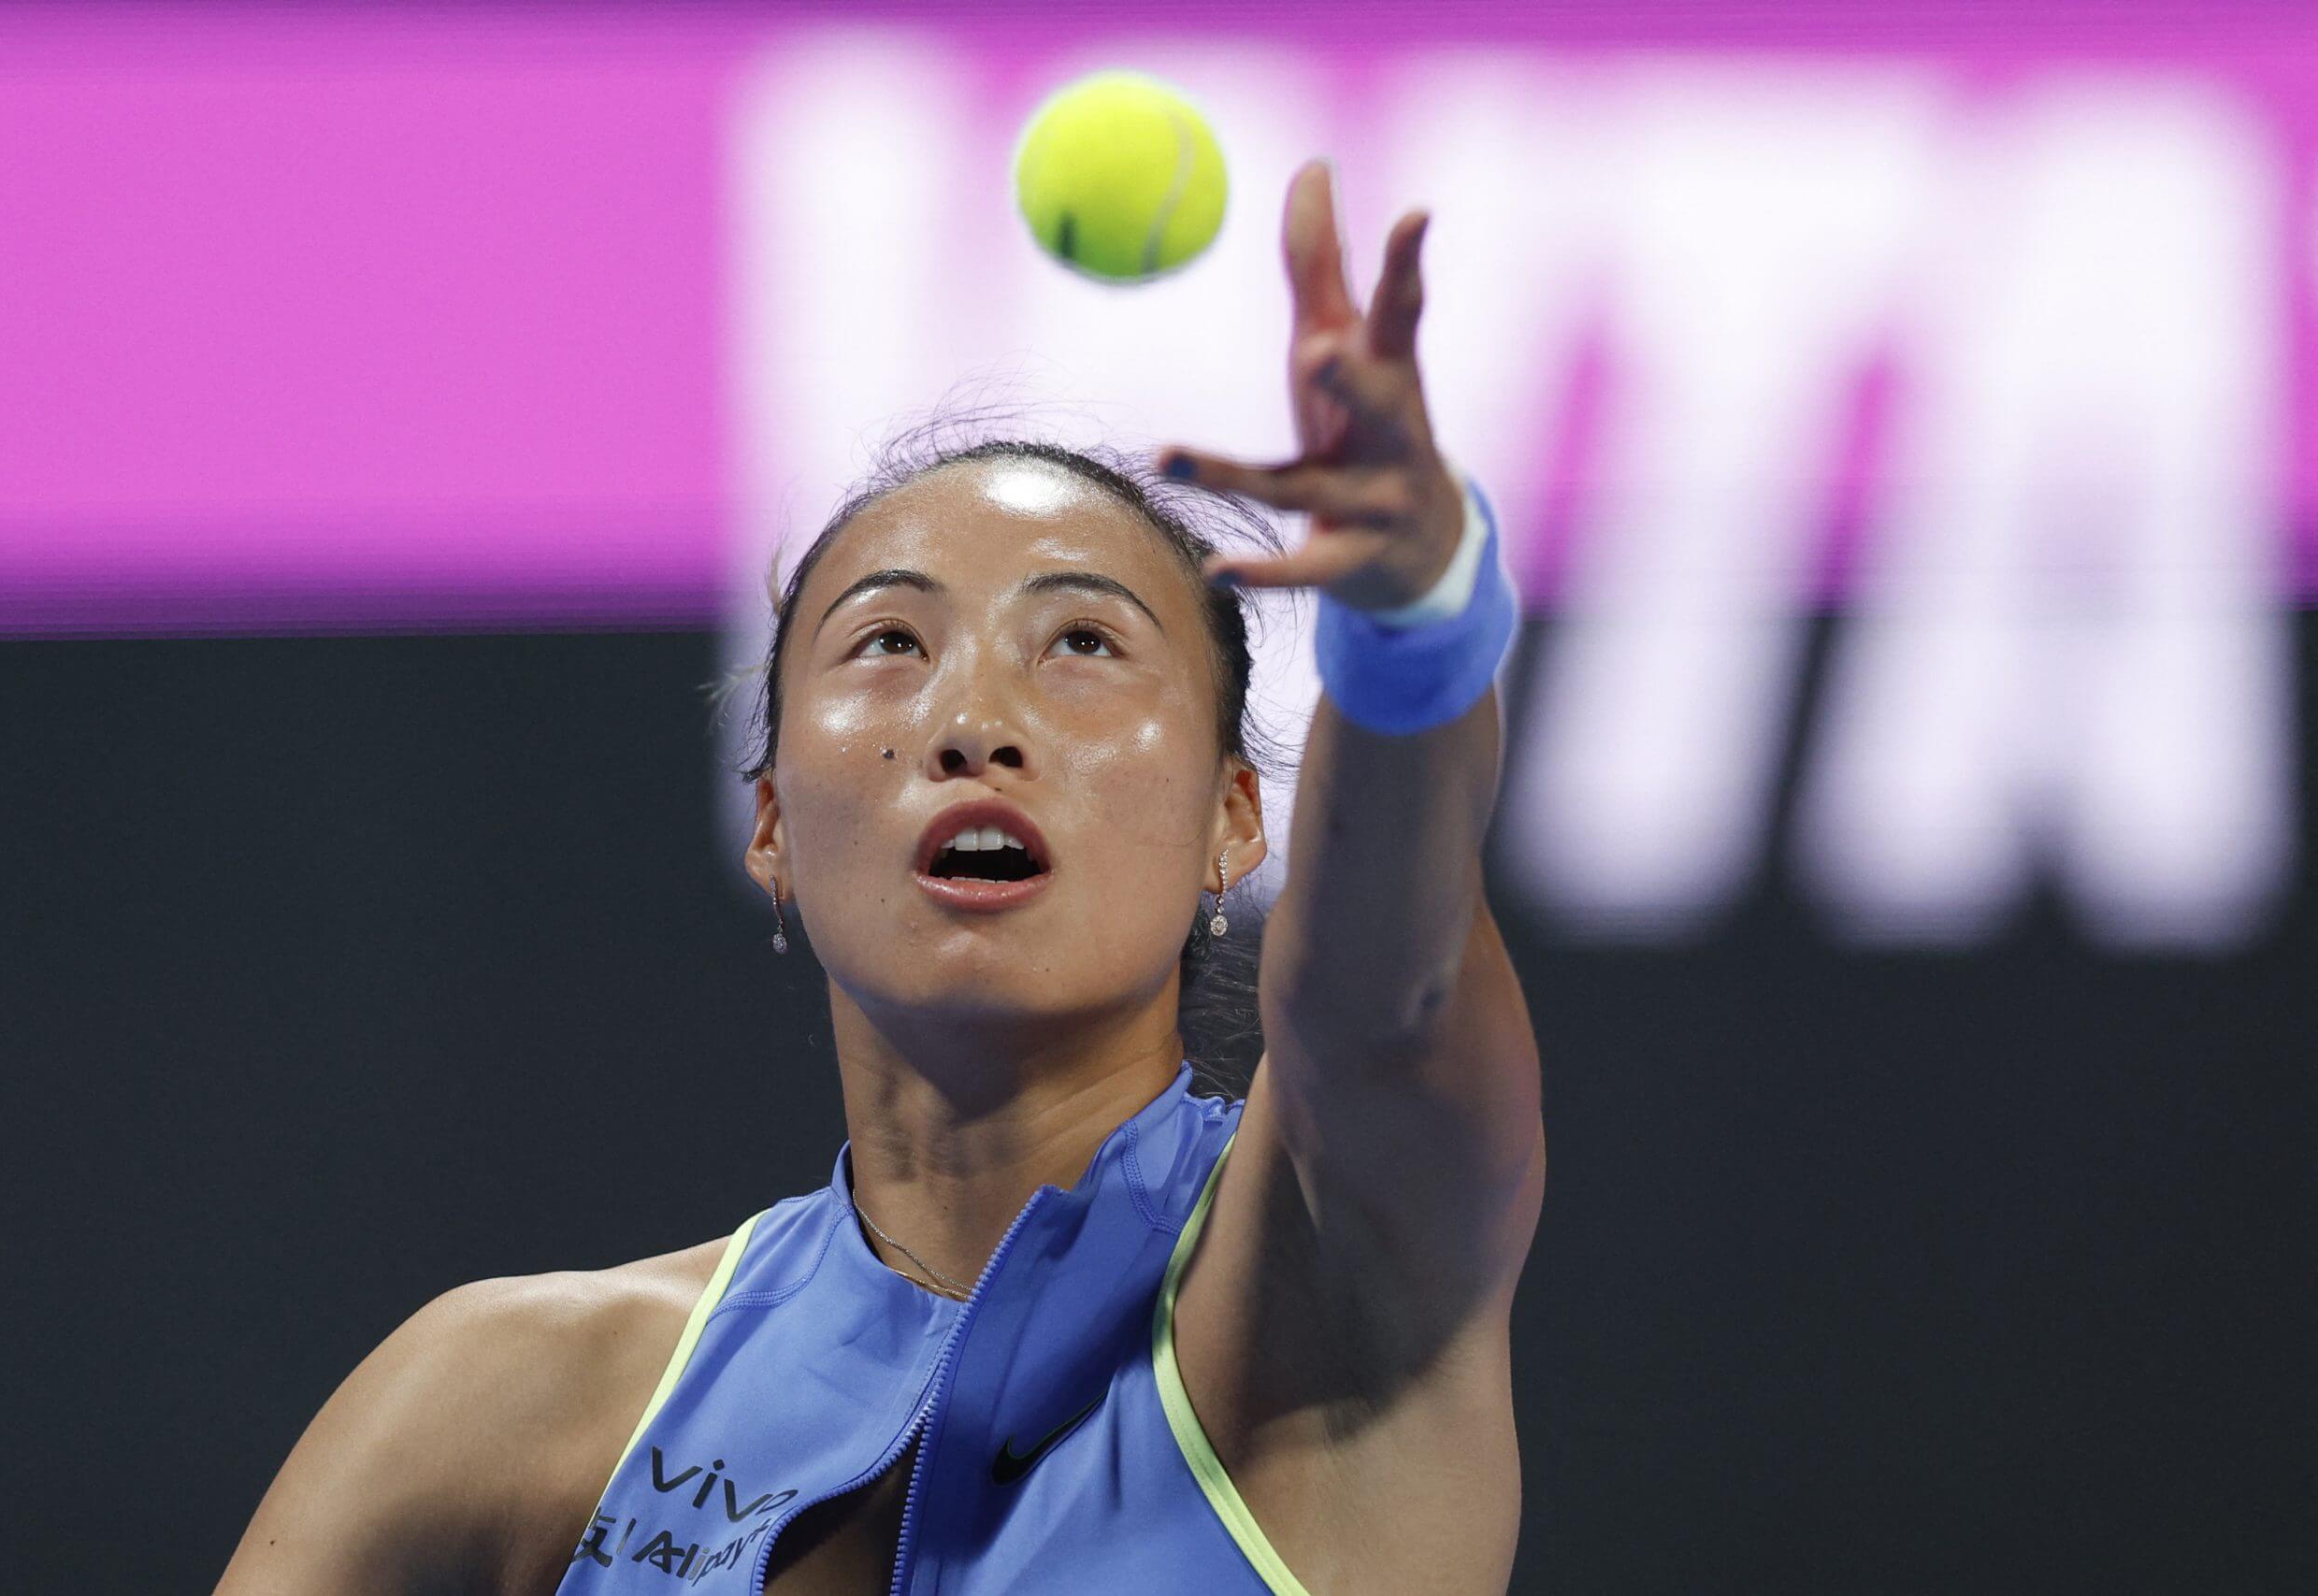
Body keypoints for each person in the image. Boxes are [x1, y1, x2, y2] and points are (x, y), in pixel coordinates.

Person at [215, 157, 1545, 1596]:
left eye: (1085, 645)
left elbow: (1385, 996)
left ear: (1238, 822)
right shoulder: (504, 1408)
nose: (975, 721)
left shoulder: (1332, 1285)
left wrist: (1412, 621)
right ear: (775, 822)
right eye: (888, 644)